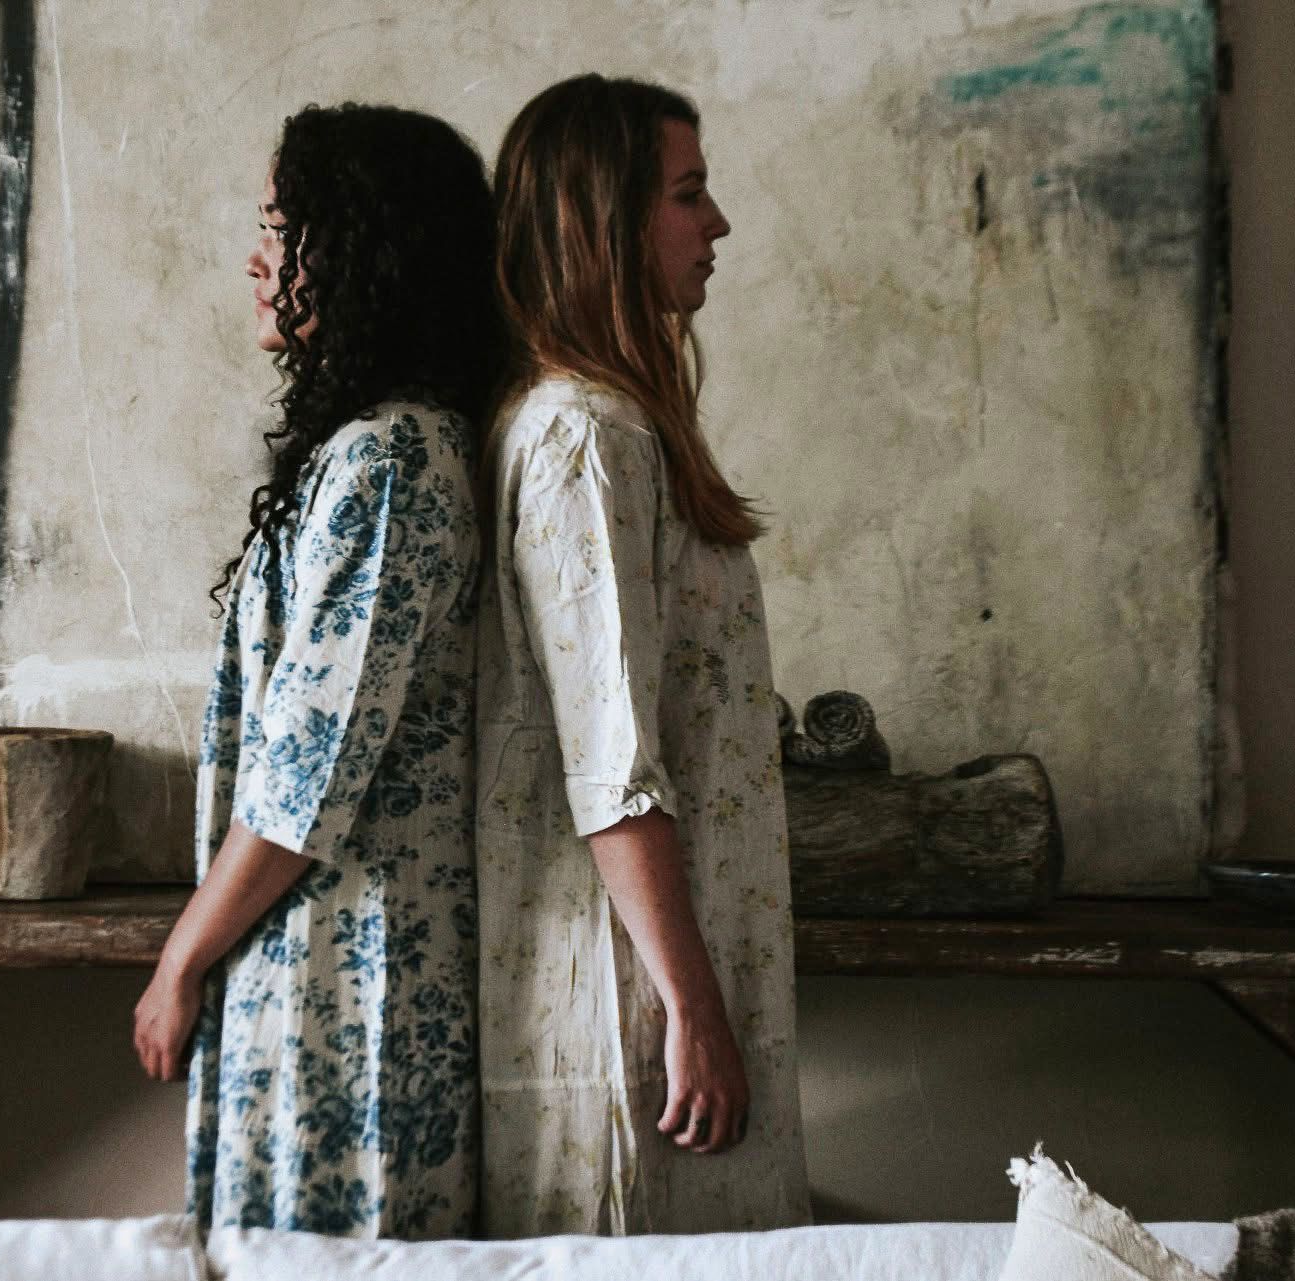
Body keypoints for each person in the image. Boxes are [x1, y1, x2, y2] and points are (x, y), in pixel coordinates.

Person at [132, 102, 502, 1238]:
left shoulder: (393, 457)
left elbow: (309, 769)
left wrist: (179, 959)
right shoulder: (371, 449)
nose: (259, 256)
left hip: (354, 974)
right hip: (314, 955)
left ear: (367, 252)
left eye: (283, 230)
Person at [476, 74, 811, 1236]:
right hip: (630, 1012)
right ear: (603, 224)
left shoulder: (614, 429)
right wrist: (694, 1011)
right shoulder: (580, 440)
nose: (717, 223)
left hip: (665, 982)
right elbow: (611, 764)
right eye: (689, 194)